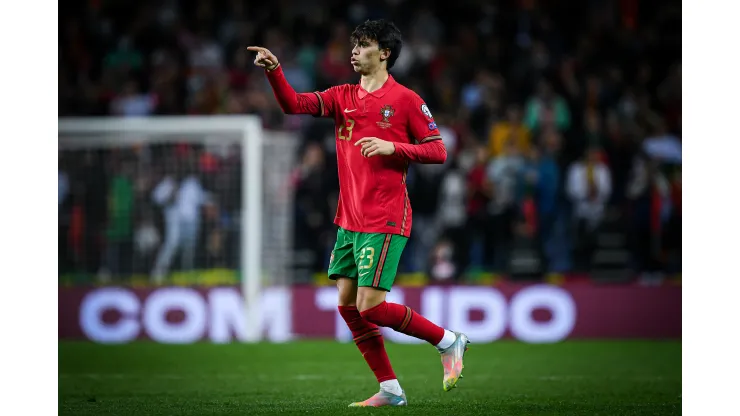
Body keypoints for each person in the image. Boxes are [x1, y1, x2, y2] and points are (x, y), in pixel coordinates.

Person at [248, 19, 469, 408]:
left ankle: (448, 341)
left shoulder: (406, 100)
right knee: (348, 304)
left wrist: (393, 148)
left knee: (371, 305)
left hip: (385, 216)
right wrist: (275, 71)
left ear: (384, 53)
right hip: (349, 218)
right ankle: (390, 388)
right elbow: (293, 105)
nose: (353, 51)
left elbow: (438, 151)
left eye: (363, 44)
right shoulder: (342, 95)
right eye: (353, 44)